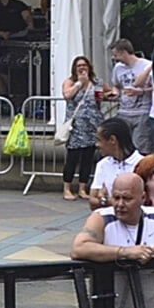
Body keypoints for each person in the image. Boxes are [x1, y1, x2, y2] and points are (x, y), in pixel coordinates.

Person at [61, 56, 108, 200]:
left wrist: (108, 95)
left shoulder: (97, 82)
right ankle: (67, 188)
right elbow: (67, 95)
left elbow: (109, 92)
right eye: (79, 66)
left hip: (93, 125)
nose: (82, 68)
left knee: (88, 158)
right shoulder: (70, 82)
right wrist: (79, 83)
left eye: (84, 65)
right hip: (76, 126)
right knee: (72, 158)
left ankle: (83, 188)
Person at [107, 39, 154, 155]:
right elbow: (117, 85)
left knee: (141, 146)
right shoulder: (118, 68)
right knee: (123, 145)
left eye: (116, 55)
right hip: (124, 112)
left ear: (124, 52)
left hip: (142, 111)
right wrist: (115, 93)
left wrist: (140, 92)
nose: (115, 58)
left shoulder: (147, 65)